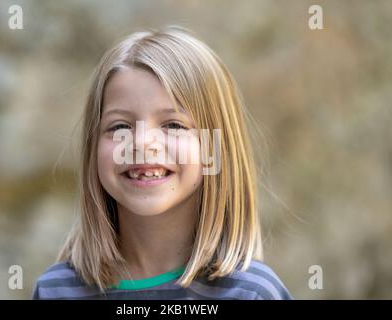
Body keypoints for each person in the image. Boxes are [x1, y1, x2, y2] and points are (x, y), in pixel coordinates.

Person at [32, 26, 292, 300]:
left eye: (173, 125)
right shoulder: (56, 291)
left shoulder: (251, 293)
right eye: (120, 126)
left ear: (216, 150)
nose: (142, 143)